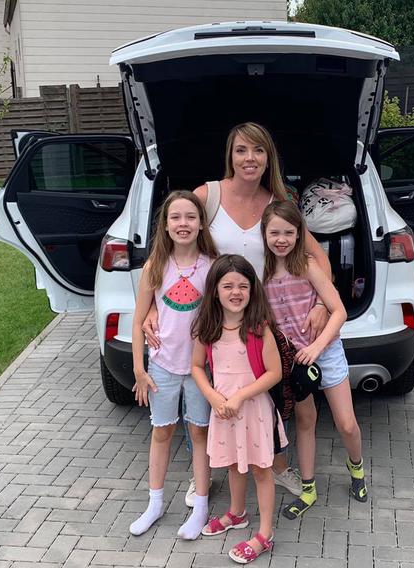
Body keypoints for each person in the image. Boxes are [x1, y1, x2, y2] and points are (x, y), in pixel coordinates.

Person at [143, 122, 331, 501]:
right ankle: (208, 471)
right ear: (230, 155)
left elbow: (316, 255)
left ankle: (276, 468)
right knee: (212, 400)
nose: (250, 158)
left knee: (271, 401)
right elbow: (167, 249)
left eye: (258, 151)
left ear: (268, 159)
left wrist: (325, 303)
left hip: (263, 322)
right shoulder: (207, 195)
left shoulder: (277, 204)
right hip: (213, 322)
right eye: (242, 150)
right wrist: (148, 307)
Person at [260, 201, 368, 520]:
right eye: (274, 232)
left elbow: (339, 311)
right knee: (305, 422)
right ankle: (308, 488)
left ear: (299, 234)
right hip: (293, 360)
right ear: (264, 233)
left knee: (346, 423)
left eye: (289, 233)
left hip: (325, 351)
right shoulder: (260, 272)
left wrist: (318, 347)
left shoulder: (306, 264)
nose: (281, 239)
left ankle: (357, 467)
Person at [129, 191, 218, 540]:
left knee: (199, 433)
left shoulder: (212, 265)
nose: (183, 224)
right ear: (165, 225)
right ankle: (154, 503)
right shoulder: (154, 267)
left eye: (190, 217)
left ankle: (201, 505)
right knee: (162, 432)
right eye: (176, 218)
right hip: (162, 365)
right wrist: (139, 367)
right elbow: (139, 320)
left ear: (200, 224)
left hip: (199, 368)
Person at [191, 255, 287, 564]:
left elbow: (274, 372)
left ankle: (265, 533)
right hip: (224, 411)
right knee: (233, 463)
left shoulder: (259, 329)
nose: (236, 292)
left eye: (243, 286)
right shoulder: (208, 327)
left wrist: (239, 397)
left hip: (254, 411)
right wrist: (213, 397)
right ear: (215, 290)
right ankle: (237, 512)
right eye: (228, 285)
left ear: (252, 290)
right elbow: (196, 367)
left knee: (260, 469)